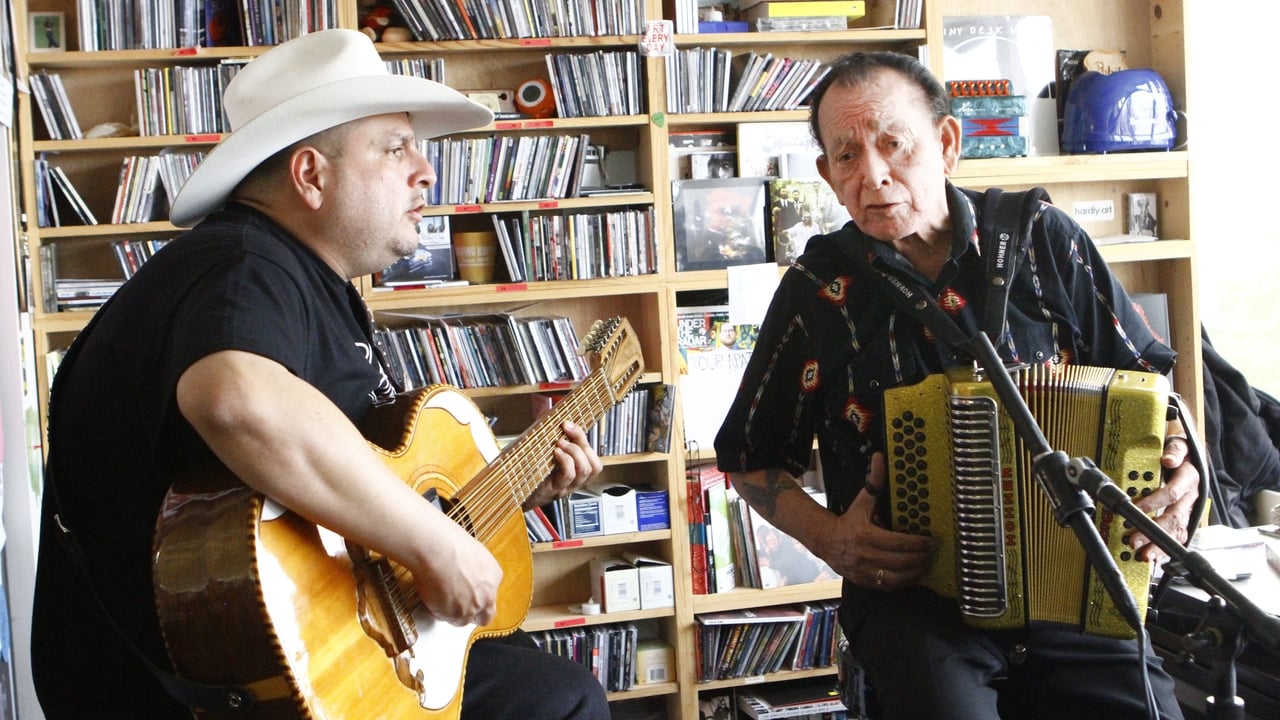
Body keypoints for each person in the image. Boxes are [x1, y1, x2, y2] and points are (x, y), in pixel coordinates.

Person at [31, 30, 610, 720]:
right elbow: (240, 403)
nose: (424, 170)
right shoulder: (242, 266)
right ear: (311, 175)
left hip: (287, 653)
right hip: (198, 683)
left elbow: (344, 490)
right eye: (395, 147)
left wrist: (500, 496)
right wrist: (431, 542)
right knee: (562, 698)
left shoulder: (304, 280)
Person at [715, 51, 1200, 720]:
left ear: (946, 144)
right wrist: (831, 539)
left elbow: (1149, 383)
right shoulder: (816, 291)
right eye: (847, 155)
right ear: (827, 175)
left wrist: (1182, 470)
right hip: (915, 604)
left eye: (893, 143)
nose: (873, 174)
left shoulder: (1044, 242)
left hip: (1080, 582)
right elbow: (749, 455)